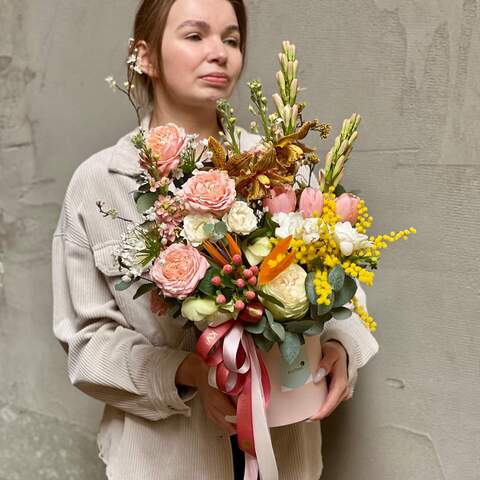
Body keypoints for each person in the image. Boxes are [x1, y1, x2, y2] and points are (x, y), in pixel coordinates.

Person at [51, 0, 379, 479]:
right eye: (195, 35)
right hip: (164, 456)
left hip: (284, 450)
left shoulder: (281, 165)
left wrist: (342, 350)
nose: (219, 53)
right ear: (144, 56)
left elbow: (340, 288)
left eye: (231, 39)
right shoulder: (99, 183)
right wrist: (188, 373)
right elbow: (86, 346)